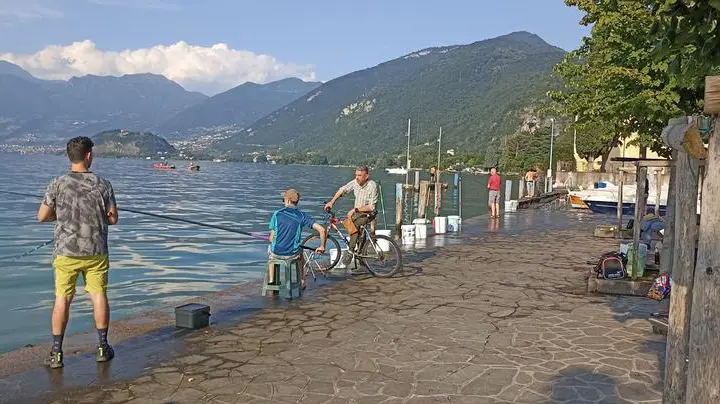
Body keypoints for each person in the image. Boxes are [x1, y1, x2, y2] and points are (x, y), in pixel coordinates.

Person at [37, 136, 119, 369]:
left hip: (66, 253)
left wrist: (61, 216)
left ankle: (56, 353)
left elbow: (42, 216)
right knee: (98, 295)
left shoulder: (57, 183)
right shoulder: (103, 184)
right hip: (96, 252)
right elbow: (113, 218)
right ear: (89, 155)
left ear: (70, 156)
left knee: (62, 299)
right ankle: (103, 347)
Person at [268, 189, 327, 289]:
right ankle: (302, 281)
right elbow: (322, 230)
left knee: (270, 250)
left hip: (276, 253)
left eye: (284, 199)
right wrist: (322, 246)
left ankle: (272, 281)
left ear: (288, 201)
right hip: (292, 254)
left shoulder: (276, 214)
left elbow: (271, 239)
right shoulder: (302, 216)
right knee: (301, 254)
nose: (283, 201)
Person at [324, 166, 379, 262]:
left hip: (369, 213)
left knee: (354, 223)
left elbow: (371, 207)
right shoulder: (355, 183)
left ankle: (350, 251)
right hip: (357, 213)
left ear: (366, 176)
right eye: (356, 175)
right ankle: (361, 255)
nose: (357, 177)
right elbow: (342, 190)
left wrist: (355, 210)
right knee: (352, 225)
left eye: (360, 175)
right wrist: (331, 202)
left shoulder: (372, 185)